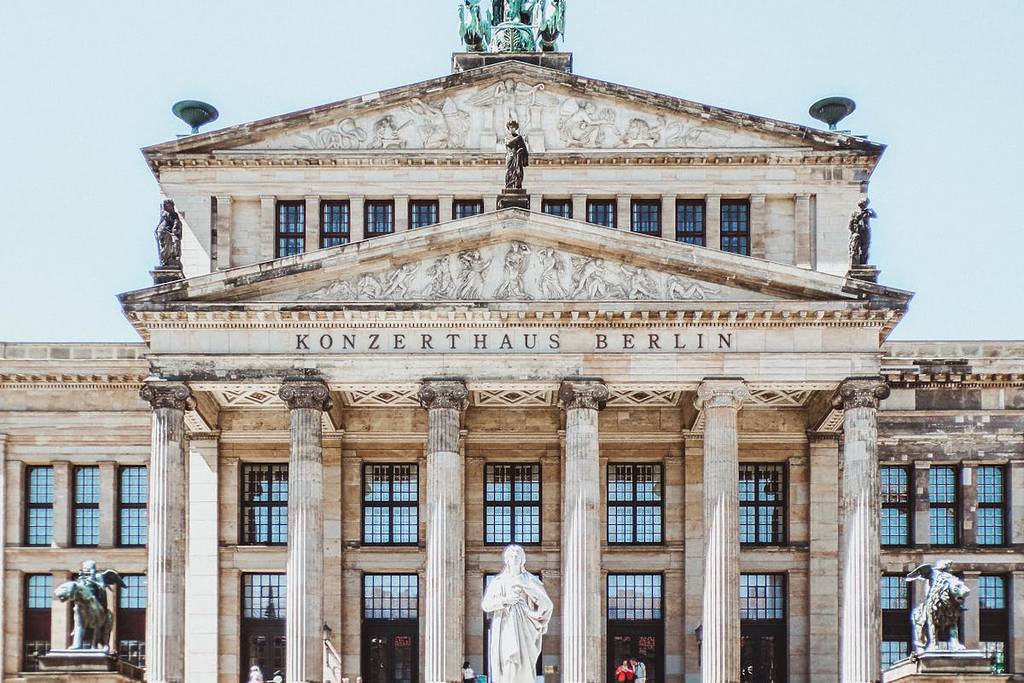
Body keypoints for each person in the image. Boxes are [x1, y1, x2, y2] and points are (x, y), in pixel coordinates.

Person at [481, 545, 553, 683]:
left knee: (525, 664)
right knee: (510, 657)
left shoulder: (531, 580)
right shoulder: (499, 581)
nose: (514, 559)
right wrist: (505, 600)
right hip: (506, 625)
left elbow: (546, 604)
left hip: (526, 626)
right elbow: (486, 605)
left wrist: (531, 597)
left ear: (522, 560)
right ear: (506, 560)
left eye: (518, 556)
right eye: (512, 556)